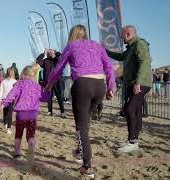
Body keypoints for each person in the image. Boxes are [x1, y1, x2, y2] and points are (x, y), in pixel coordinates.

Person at [45, 25, 115, 178]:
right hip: (99, 86)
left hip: (83, 85)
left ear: (73, 34)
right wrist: (111, 87)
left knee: (81, 127)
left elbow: (58, 67)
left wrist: (50, 83)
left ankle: (87, 167)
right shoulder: (97, 45)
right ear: (86, 34)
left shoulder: (71, 46)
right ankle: (78, 151)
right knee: (86, 123)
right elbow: (109, 66)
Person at [106, 25, 151, 154]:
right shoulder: (131, 47)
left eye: (122, 36)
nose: (122, 39)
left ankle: (132, 142)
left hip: (140, 83)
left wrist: (138, 82)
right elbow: (121, 57)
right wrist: (105, 51)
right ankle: (133, 141)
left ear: (128, 34)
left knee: (129, 109)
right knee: (135, 111)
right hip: (134, 83)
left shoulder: (140, 44)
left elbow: (144, 63)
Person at [1, 65, 48, 163]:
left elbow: (11, 95)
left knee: (19, 134)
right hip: (32, 114)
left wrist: (3, 104)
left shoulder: (19, 84)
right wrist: (48, 90)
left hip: (21, 114)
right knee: (31, 135)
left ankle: (17, 152)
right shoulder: (37, 85)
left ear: (23, 73)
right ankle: (30, 150)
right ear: (34, 75)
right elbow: (44, 98)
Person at [36, 49, 66, 118]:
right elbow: (38, 61)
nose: (50, 54)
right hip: (48, 82)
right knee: (49, 97)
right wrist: (43, 53)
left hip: (57, 81)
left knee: (59, 97)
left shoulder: (57, 60)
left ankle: (62, 112)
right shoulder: (45, 60)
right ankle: (50, 111)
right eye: (48, 53)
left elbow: (63, 57)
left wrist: (57, 52)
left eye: (51, 52)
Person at [0, 68, 17, 134]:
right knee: (9, 114)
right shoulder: (15, 81)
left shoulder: (3, 81)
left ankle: (6, 124)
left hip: (3, 99)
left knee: (5, 113)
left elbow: (0, 92)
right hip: (11, 100)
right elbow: (16, 93)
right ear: (13, 73)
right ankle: (8, 128)